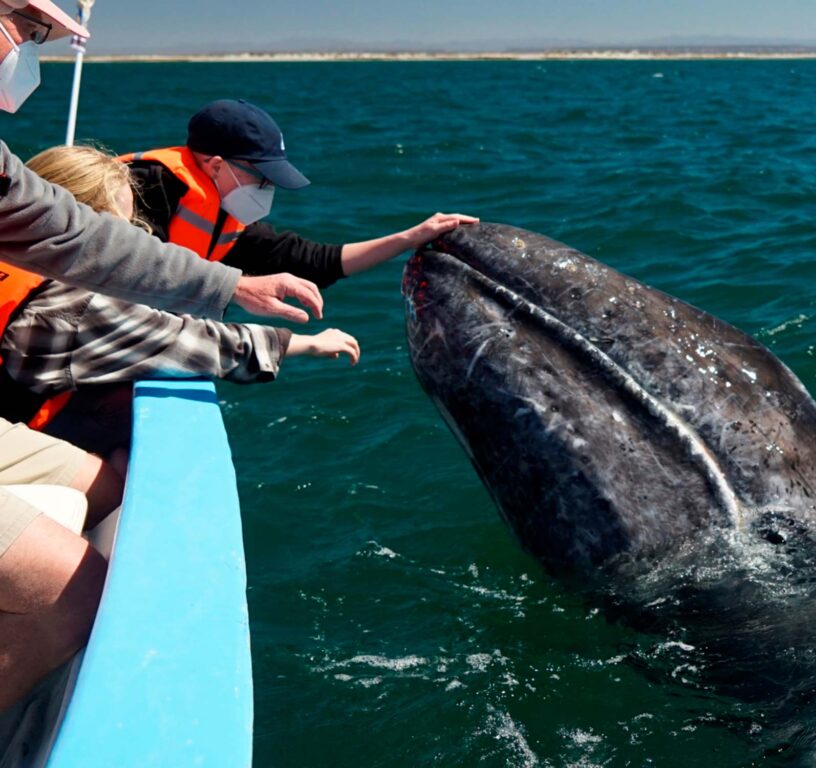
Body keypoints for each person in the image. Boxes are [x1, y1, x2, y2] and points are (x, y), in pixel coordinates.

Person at [0, 0, 319, 714]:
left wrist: (232, 284)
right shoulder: (68, 306)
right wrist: (287, 335)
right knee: (73, 592)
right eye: (29, 30)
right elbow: (182, 339)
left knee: (111, 483)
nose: (28, 55)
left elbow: (81, 241)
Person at [2, 145, 362, 462]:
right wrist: (306, 343)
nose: (131, 238)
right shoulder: (73, 306)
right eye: (116, 229)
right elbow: (185, 342)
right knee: (112, 486)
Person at [125, 98, 478, 286]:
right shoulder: (146, 185)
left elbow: (318, 261)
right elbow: (130, 268)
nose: (268, 188)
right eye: (261, 177)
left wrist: (410, 237)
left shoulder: (227, 221)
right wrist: (240, 290)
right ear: (217, 166)